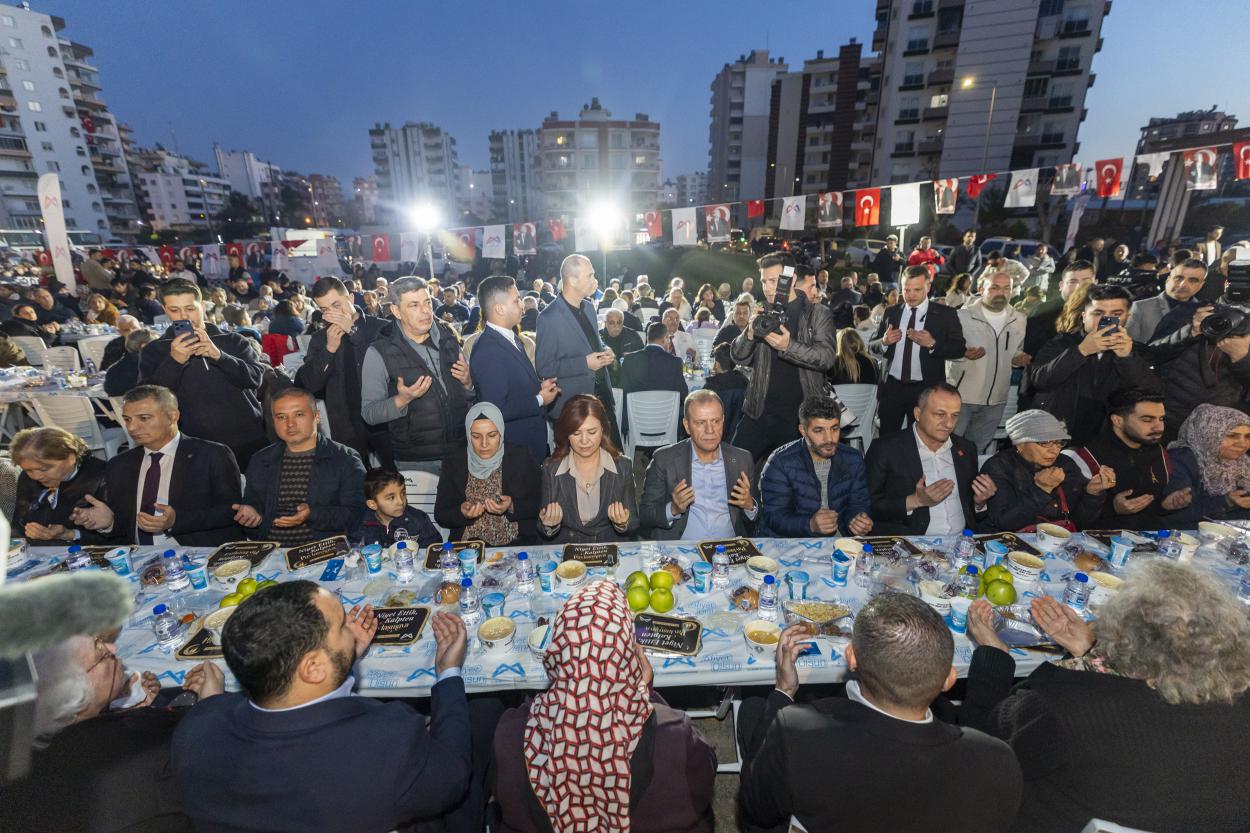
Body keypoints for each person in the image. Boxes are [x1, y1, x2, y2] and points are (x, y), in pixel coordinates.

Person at [964, 561, 1250, 833]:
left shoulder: (1072, 707)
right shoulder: (1239, 701)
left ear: (1121, 640)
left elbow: (978, 749)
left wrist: (994, 655)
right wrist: (1090, 656)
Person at [173, 581, 477, 833]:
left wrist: (340, 661)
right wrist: (448, 672)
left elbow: (216, 719)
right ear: (312, 668)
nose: (351, 629)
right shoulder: (387, 740)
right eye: (342, 626)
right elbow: (453, 777)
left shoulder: (196, 729)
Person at [739, 593, 1021, 833]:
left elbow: (755, 813)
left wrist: (783, 691)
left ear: (851, 658)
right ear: (949, 680)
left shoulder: (796, 733)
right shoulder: (998, 762)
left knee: (753, 711)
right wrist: (995, 657)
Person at [491, 581, 716, 833]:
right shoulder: (675, 736)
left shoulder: (510, 734)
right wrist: (647, 694)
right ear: (628, 655)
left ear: (557, 652)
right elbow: (704, 781)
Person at [0, 634, 223, 833]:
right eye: (100, 652)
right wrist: (212, 703)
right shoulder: (136, 743)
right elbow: (214, 762)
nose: (113, 649)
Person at [71, 385, 244, 547]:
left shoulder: (211, 454)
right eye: (127, 419)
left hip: (198, 551)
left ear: (172, 416)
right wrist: (109, 523)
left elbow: (230, 511)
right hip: (142, 558)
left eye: (144, 418)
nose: (132, 427)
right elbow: (127, 526)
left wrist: (177, 521)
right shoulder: (120, 465)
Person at [138, 279, 269, 468]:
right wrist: (174, 362)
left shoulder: (232, 340)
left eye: (190, 308)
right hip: (193, 442)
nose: (184, 316)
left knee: (257, 495)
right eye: (174, 310)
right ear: (165, 310)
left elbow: (255, 379)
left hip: (246, 436)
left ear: (203, 306)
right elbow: (148, 400)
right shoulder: (155, 350)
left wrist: (220, 356)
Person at [361, 276, 472, 474]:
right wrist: (401, 400)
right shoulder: (379, 352)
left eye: (427, 302)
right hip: (417, 463)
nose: (425, 311)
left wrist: (468, 383)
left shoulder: (449, 340)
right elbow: (369, 414)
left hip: (462, 452)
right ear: (396, 311)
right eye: (414, 305)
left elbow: (467, 396)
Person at [731, 256, 835, 462]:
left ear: (791, 279)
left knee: (793, 484)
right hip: (758, 410)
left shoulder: (817, 313)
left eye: (774, 281)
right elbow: (737, 356)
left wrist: (788, 347)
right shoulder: (763, 313)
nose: (768, 288)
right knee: (733, 469)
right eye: (763, 281)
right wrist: (749, 334)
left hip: (798, 417)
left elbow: (826, 358)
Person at [1027, 285, 1160, 445]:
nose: (1106, 320)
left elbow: (1152, 393)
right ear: (1083, 316)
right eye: (1098, 313)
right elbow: (1040, 380)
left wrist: (1127, 358)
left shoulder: (1136, 351)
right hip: (1060, 437)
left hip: (1109, 440)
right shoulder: (1060, 343)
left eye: (1116, 314)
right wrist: (1081, 351)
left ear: (1128, 317)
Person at [233, 388, 366, 545]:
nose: (290, 424)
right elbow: (254, 510)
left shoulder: (345, 459)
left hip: (324, 551)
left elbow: (356, 514)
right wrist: (251, 516)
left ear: (316, 416)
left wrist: (312, 514)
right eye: (281, 417)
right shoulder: (262, 460)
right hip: (273, 550)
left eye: (299, 414)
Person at [865, 383, 997, 536]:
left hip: (961, 543)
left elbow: (973, 512)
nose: (949, 424)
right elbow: (867, 505)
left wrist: (979, 502)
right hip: (910, 545)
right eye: (940, 414)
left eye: (955, 415)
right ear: (918, 414)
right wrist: (915, 501)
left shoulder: (966, 449)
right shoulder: (886, 449)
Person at [295, 276, 393, 470]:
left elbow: (390, 369)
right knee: (357, 480)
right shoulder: (320, 339)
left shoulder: (380, 327)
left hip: (385, 419)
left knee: (397, 476)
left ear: (350, 299)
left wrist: (354, 332)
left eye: (336, 304)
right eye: (325, 309)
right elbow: (309, 384)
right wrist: (329, 350)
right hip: (346, 421)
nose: (332, 313)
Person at [1062, 388, 1192, 530]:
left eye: (1161, 419)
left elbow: (1148, 508)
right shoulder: (1086, 458)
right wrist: (1113, 509)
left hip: (1145, 544)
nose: (1159, 427)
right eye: (1147, 419)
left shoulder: (1159, 452)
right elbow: (1068, 520)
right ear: (1117, 420)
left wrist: (1165, 505)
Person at [639, 389, 757, 539]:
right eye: (701, 423)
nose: (710, 430)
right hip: (683, 552)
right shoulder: (665, 459)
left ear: (723, 420)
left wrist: (749, 505)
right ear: (687, 426)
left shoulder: (742, 459)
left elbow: (755, 516)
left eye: (716, 421)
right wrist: (673, 509)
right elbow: (645, 514)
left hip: (729, 549)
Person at [470, 275, 560, 466]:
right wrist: (540, 399)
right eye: (516, 299)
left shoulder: (509, 338)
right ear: (499, 308)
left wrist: (537, 387)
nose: (522, 305)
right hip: (515, 452)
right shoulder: (489, 350)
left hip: (528, 446)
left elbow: (513, 388)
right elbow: (496, 410)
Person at [871, 265, 968, 434]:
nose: (910, 295)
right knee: (886, 440)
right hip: (892, 388)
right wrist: (884, 342)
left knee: (920, 441)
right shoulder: (892, 312)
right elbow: (872, 345)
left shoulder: (945, 315)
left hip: (926, 390)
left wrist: (933, 344)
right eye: (906, 290)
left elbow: (959, 349)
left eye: (916, 290)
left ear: (928, 287)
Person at [980, 409, 1114, 532]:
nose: (1054, 450)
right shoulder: (999, 467)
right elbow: (1004, 523)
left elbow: (1080, 523)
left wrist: (1093, 494)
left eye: (1058, 442)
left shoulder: (1065, 464)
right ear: (1020, 444)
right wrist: (1041, 490)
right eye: (1045, 442)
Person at [758, 395, 872, 537]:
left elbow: (859, 503)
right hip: (792, 543)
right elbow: (774, 517)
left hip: (839, 543)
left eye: (834, 429)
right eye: (819, 431)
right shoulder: (780, 462)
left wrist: (857, 521)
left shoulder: (853, 458)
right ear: (803, 431)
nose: (829, 439)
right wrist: (809, 524)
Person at [535, 254, 619, 441]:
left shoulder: (588, 307)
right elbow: (544, 366)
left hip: (601, 398)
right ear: (572, 280)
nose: (595, 281)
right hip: (572, 408)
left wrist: (605, 349)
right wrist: (585, 363)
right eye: (590, 275)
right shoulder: (549, 317)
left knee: (612, 463)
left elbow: (593, 341)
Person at [434, 402, 542, 545]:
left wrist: (512, 506)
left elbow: (540, 504)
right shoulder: (454, 462)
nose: (484, 444)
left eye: (492, 435)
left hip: (516, 543)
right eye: (476, 436)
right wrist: (461, 512)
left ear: (501, 433)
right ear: (468, 435)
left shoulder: (521, 457)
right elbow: (441, 514)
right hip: (468, 546)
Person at [538, 393, 638, 543]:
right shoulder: (551, 468)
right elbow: (541, 526)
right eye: (576, 433)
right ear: (566, 434)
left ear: (603, 430)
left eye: (592, 432)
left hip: (608, 550)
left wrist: (623, 524)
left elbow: (634, 523)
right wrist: (549, 526)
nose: (584, 441)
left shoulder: (622, 466)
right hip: (567, 553)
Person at [950, 271, 1029, 451]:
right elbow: (945, 351)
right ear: (980, 289)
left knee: (976, 452)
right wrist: (963, 353)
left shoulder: (1020, 319)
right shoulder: (962, 316)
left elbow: (1015, 351)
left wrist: (1018, 359)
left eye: (1006, 288)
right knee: (949, 450)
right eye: (994, 287)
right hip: (961, 398)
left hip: (996, 402)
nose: (1001, 293)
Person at [10, 426, 107, 543]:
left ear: (71, 457)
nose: (36, 476)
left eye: (44, 468)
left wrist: (71, 534)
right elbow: (18, 526)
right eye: (28, 470)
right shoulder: (27, 478)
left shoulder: (102, 477)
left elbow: (121, 536)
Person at [1165, 403, 1250, 526]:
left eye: (1248, 436)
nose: (1242, 444)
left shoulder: (1242, 462)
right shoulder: (1181, 460)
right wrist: (1226, 501)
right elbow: (1178, 515)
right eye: (1232, 436)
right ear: (1208, 433)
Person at [620, 321, 688, 438]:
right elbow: (683, 394)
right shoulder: (674, 362)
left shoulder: (629, 360)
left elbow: (623, 391)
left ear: (647, 338)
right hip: (666, 423)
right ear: (665, 338)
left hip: (636, 422)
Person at [352, 467, 442, 548]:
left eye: (402, 493)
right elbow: (354, 553)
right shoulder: (360, 525)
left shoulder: (419, 520)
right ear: (373, 504)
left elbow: (434, 548)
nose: (400, 501)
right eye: (391, 497)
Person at [1126, 257, 1207, 344]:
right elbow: (1128, 349)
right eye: (1178, 278)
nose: (1183, 284)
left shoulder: (1205, 313)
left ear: (1201, 285)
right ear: (1168, 280)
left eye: (1192, 280)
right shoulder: (1140, 307)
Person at [103, 328, 156, 396]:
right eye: (156, 343)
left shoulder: (113, 370)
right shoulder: (150, 368)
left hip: (120, 405)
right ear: (144, 346)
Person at [599, 308, 643, 387]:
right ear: (605, 323)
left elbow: (642, 357)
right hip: (605, 378)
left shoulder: (633, 336)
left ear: (623, 323)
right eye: (612, 323)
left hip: (628, 376)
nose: (616, 326)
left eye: (619, 322)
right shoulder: (598, 337)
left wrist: (631, 358)